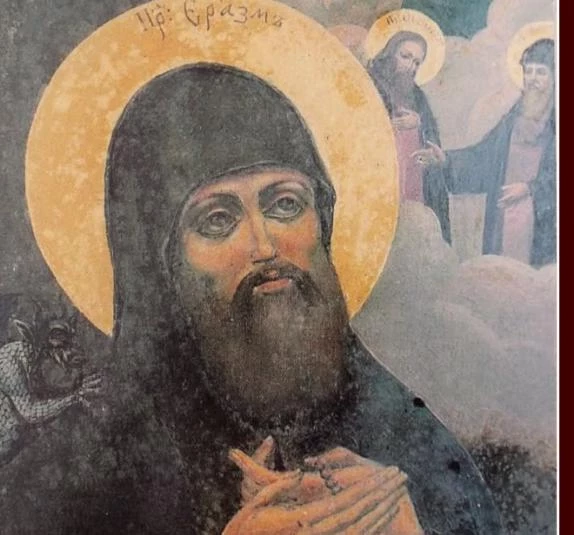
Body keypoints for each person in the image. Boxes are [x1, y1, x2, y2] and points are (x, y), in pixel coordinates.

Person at [101, 63, 502, 534]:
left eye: (285, 205)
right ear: (162, 267)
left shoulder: (404, 435)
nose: (264, 246)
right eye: (217, 220)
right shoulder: (108, 461)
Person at [444, 39, 556, 266]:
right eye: (528, 71)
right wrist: (445, 160)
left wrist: (529, 188)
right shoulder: (515, 115)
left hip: (540, 220)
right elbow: (483, 155)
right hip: (504, 213)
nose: (532, 79)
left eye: (541, 72)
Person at [368, 31, 451, 243]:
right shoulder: (368, 85)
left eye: (417, 62)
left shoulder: (418, 96)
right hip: (381, 181)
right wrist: (387, 126)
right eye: (405, 57)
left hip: (413, 181)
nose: (411, 67)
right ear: (389, 53)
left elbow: (431, 139)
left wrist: (419, 124)